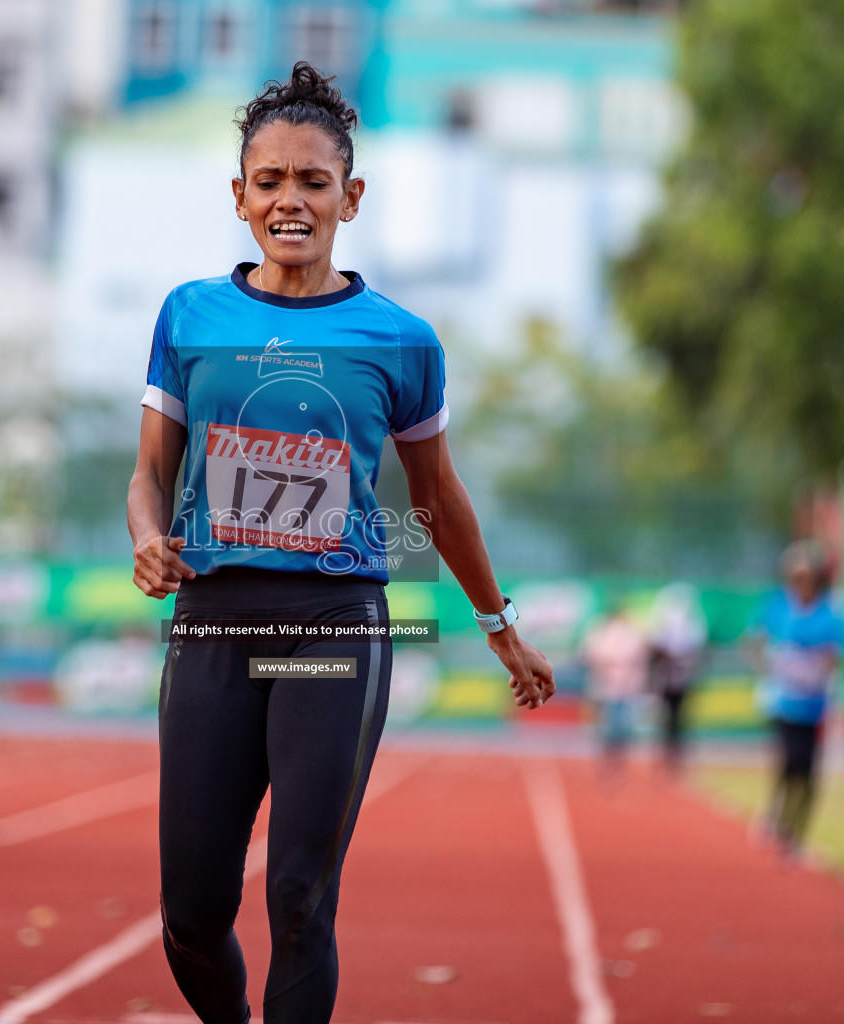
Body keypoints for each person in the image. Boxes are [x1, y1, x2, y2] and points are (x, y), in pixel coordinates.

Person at [126, 64, 555, 1024]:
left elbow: (437, 498)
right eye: (270, 181)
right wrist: (151, 538)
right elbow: (150, 475)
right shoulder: (189, 317)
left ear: (349, 198)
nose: (291, 200)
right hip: (212, 626)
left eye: (313, 183)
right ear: (239, 196)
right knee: (191, 915)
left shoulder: (401, 342)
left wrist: (502, 628)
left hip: (333, 625)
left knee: (300, 898)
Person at [748, 541, 844, 861]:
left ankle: (795, 834)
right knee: (790, 760)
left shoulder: (830, 613)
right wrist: (768, 663)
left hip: (815, 702)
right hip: (782, 699)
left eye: (808, 576)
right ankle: (777, 815)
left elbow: (838, 654)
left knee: (808, 771)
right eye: (797, 576)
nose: (802, 583)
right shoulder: (778, 606)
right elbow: (754, 639)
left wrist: (821, 667)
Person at [582, 603, 650, 779]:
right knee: (608, 726)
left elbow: (636, 657)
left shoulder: (630, 633)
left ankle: (615, 762)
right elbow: (593, 655)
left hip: (624, 688)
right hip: (607, 687)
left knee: (619, 726)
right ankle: (608, 761)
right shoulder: (602, 631)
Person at [648, 583, 707, 776]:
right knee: (667, 718)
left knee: (679, 719)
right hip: (667, 681)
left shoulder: (693, 627)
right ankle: (667, 754)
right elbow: (655, 651)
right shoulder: (663, 627)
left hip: (683, 680)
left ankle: (676, 755)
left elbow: (696, 653)